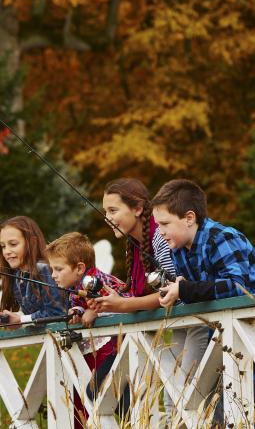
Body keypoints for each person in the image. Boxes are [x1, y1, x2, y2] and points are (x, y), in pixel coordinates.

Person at [152, 179, 255, 425]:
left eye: (164, 224)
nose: (160, 232)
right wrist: (179, 289)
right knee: (215, 403)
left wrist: (185, 288)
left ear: (189, 218)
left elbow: (236, 287)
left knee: (231, 402)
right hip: (224, 330)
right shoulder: (180, 249)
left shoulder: (221, 237)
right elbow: (198, 289)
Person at [90, 177, 210, 426]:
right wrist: (107, 303)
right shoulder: (134, 244)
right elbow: (138, 293)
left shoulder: (159, 237)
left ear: (137, 209)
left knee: (185, 397)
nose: (107, 217)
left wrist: (123, 306)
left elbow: (170, 290)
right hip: (177, 328)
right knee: (173, 399)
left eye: (113, 210)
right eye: (105, 211)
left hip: (195, 321)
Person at [45, 232, 129, 427]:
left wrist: (95, 310)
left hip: (118, 343)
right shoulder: (76, 285)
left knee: (110, 394)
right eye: (52, 269)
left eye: (58, 269)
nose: (53, 275)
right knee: (103, 396)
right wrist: (77, 310)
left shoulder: (96, 280)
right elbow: (78, 302)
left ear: (79, 268)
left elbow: (124, 301)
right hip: (107, 344)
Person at [0, 216, 67, 327]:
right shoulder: (18, 275)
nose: (6, 251)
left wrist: (20, 320)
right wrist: (8, 318)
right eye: (3, 246)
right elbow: (31, 313)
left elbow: (57, 313)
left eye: (13, 244)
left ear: (31, 242)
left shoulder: (45, 270)